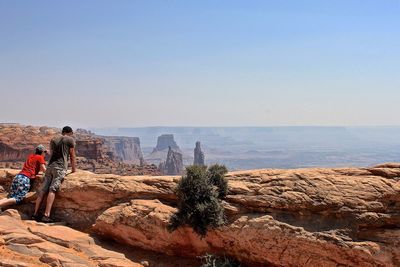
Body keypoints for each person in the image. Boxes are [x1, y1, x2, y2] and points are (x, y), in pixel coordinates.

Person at [33, 126, 76, 222]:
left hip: (50, 166)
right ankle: (46, 215)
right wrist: (73, 170)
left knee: (43, 190)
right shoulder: (70, 140)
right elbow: (72, 156)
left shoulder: (53, 139)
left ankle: (35, 214)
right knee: (52, 190)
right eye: (71, 133)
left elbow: (52, 153)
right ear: (69, 132)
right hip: (60, 167)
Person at [0, 145, 47, 212]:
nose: (45, 154)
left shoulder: (31, 156)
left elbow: (32, 168)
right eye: (45, 152)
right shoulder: (40, 157)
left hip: (18, 177)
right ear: (42, 152)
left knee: (11, 197)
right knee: (18, 199)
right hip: (24, 179)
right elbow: (44, 169)